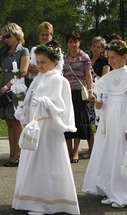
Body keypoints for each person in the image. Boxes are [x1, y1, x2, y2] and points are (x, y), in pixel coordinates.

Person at [12, 44, 80, 215]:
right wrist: (23, 110)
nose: (40, 65)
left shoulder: (59, 80)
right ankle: (34, 199)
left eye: (44, 62)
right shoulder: (38, 78)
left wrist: (46, 103)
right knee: (34, 163)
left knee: (47, 164)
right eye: (38, 61)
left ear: (54, 61)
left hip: (48, 127)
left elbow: (61, 106)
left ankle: (47, 203)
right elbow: (30, 99)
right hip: (36, 125)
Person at [82, 40, 127, 209]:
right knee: (109, 155)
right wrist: (100, 105)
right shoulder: (107, 78)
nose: (110, 61)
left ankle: (123, 194)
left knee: (121, 155)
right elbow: (104, 99)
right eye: (109, 57)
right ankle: (111, 190)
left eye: (114, 57)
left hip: (124, 123)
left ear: (125, 57)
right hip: (109, 122)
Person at [0, 22, 30, 167]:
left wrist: (8, 85)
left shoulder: (23, 51)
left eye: (8, 36)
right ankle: (12, 154)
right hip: (5, 89)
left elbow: (23, 71)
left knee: (17, 122)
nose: (6, 39)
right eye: (4, 36)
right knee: (9, 123)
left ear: (16, 35)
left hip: (16, 89)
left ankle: (19, 154)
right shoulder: (4, 51)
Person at [62, 31, 94, 163]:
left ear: (79, 42)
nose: (73, 44)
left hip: (79, 92)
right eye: (70, 42)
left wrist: (90, 91)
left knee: (78, 122)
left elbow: (88, 75)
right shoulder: (63, 58)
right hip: (66, 93)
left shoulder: (84, 57)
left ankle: (75, 151)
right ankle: (68, 150)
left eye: (75, 41)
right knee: (67, 121)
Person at [86, 36, 110, 156]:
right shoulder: (87, 59)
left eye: (98, 47)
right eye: (94, 46)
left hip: (99, 93)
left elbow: (105, 77)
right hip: (88, 92)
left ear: (102, 48)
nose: (95, 49)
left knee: (100, 120)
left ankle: (102, 147)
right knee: (89, 121)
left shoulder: (105, 60)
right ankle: (91, 147)